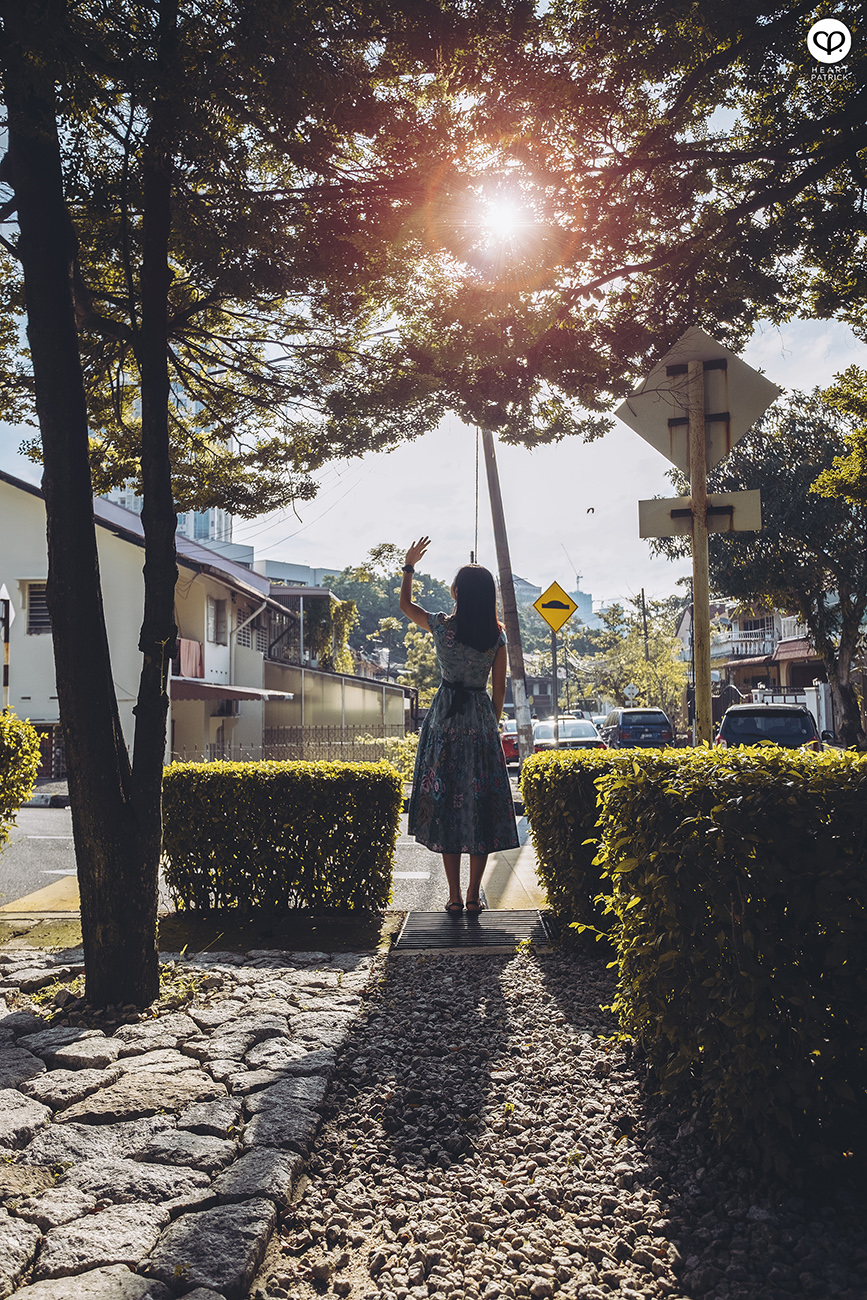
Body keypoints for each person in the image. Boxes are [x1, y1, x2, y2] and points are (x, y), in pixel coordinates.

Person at [400, 537, 519, 914]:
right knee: (478, 809)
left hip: (444, 721)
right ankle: (472, 895)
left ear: (456, 592)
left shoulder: (441, 627)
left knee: (446, 807)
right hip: (480, 721)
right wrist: (489, 725)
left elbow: (405, 605)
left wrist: (408, 566)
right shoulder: (495, 637)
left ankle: (451, 895)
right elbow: (499, 690)